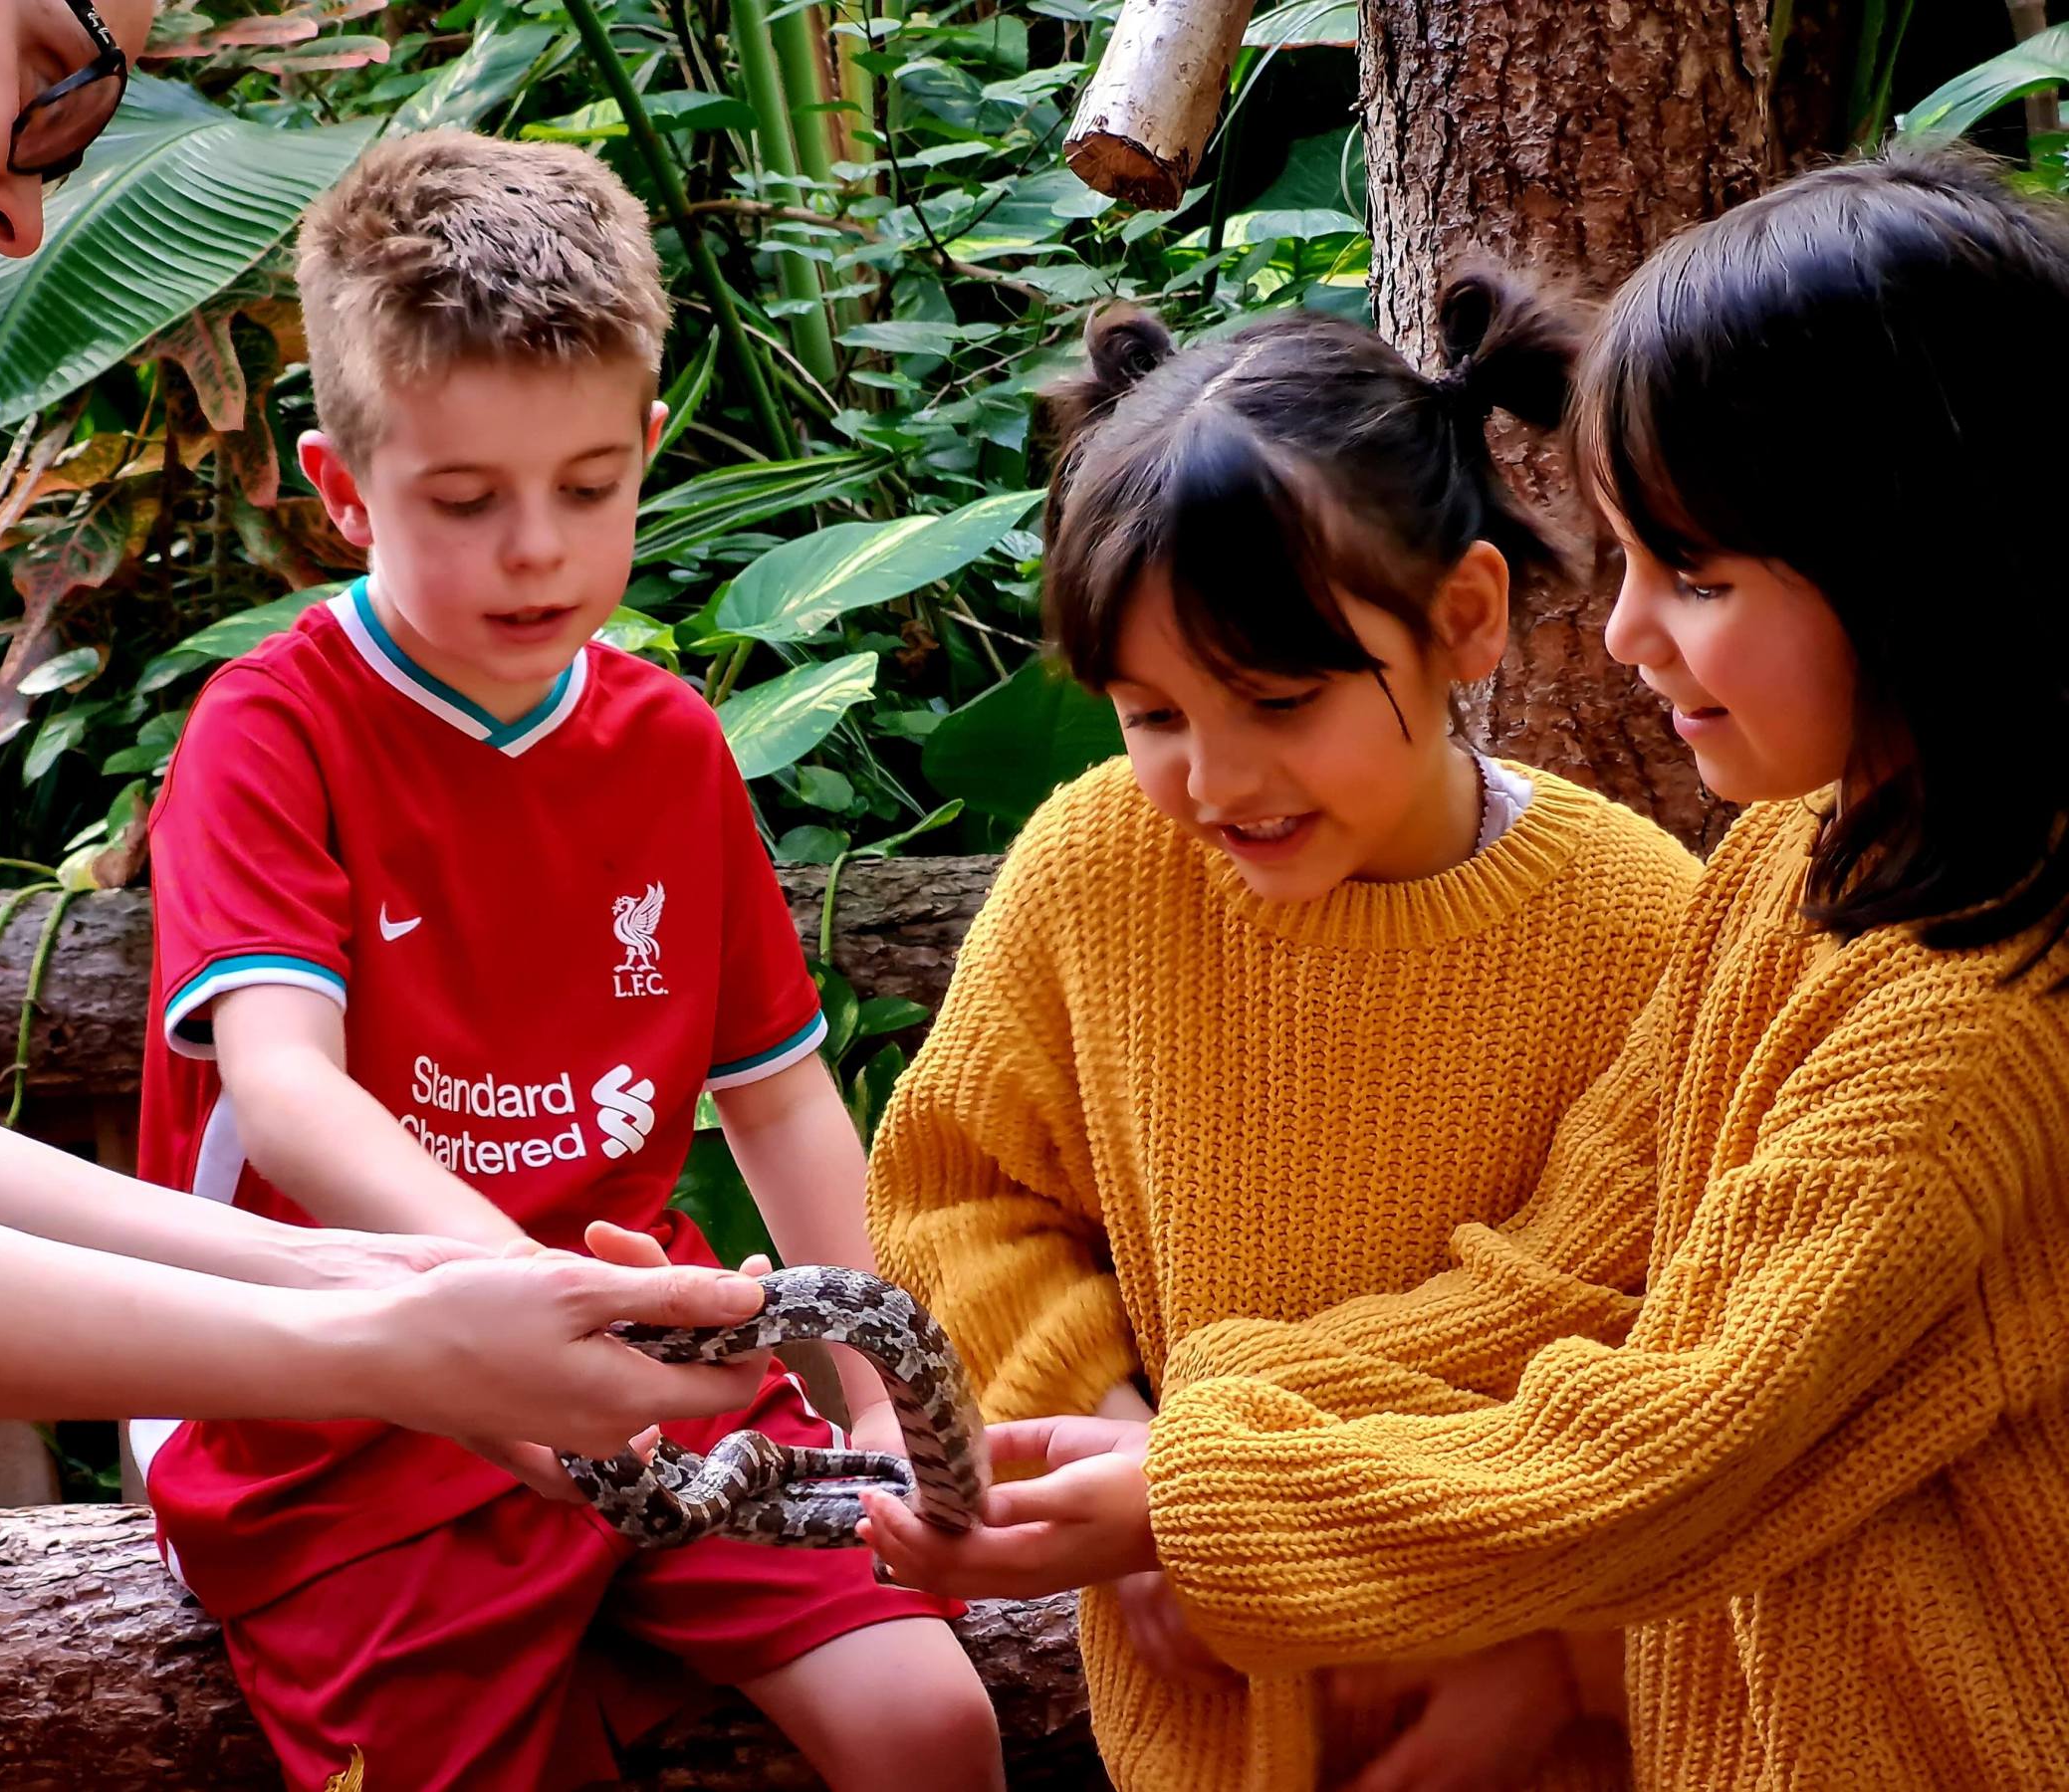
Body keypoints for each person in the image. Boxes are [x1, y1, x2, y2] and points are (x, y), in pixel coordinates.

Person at [860, 146, 2069, 1790]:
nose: (1630, 634)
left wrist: (1195, 1499)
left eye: (1694, 576)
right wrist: (1191, 1443)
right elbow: (1576, 1262)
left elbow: (1682, 1436)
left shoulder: (1968, 1019)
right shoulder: (1806, 861)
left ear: (1920, 562)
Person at [0, 7, 775, 1785]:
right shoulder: (278, 720)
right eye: (48, 42)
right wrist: (380, 1335)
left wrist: (370, 1299)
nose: (39, 215)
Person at [127, 129, 1004, 1792]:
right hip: (345, 1423)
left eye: (588, 488)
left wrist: (878, 1393)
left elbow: (782, 1099)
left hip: (662, 1374)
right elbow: (285, 1089)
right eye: (465, 502)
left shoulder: (668, 745)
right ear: (339, 489)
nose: (538, 549)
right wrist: (543, 1312)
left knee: (932, 1726)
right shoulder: (273, 731)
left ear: (647, 451)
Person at [863, 277, 1698, 1791]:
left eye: (1277, 699)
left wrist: (1554, 1657)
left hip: (1541, 1719)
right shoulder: (1096, 869)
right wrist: (1117, 1467)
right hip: (1203, 1717)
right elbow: (959, 1195)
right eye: (1153, 713)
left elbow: (1680, 1354)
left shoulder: (1640, 926)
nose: (1215, 778)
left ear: (1464, 620)